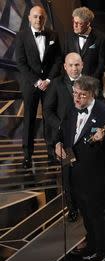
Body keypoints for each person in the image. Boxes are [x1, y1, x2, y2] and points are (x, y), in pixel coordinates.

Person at [55, 76, 105, 261]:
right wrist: (58, 144)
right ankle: (93, 246)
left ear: (92, 95)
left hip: (98, 175)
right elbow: (62, 134)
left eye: (82, 95)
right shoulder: (71, 109)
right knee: (87, 213)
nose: (76, 98)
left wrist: (104, 139)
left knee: (100, 215)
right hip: (75, 172)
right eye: (75, 93)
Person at [15, 5, 62, 168]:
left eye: (41, 17)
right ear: (29, 18)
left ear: (45, 18)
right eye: (35, 16)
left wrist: (48, 80)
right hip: (31, 85)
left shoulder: (53, 35)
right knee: (29, 119)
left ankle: (52, 153)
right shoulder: (21, 36)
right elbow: (20, 62)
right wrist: (36, 81)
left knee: (50, 118)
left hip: (49, 85)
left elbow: (58, 60)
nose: (38, 19)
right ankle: (27, 155)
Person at [44, 52, 83, 222]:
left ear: (82, 65)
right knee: (69, 174)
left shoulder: (90, 82)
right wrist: (60, 126)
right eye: (71, 65)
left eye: (77, 65)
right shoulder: (56, 84)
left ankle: (87, 205)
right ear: (65, 66)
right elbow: (48, 110)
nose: (74, 68)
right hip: (65, 139)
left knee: (86, 172)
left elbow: (100, 105)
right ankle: (72, 208)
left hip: (85, 137)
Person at [63, 7, 105, 99]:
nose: (75, 25)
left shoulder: (100, 37)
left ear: (88, 23)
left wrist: (90, 81)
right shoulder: (68, 36)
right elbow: (65, 59)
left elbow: (102, 64)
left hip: (93, 85)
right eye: (74, 21)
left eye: (79, 23)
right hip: (72, 85)